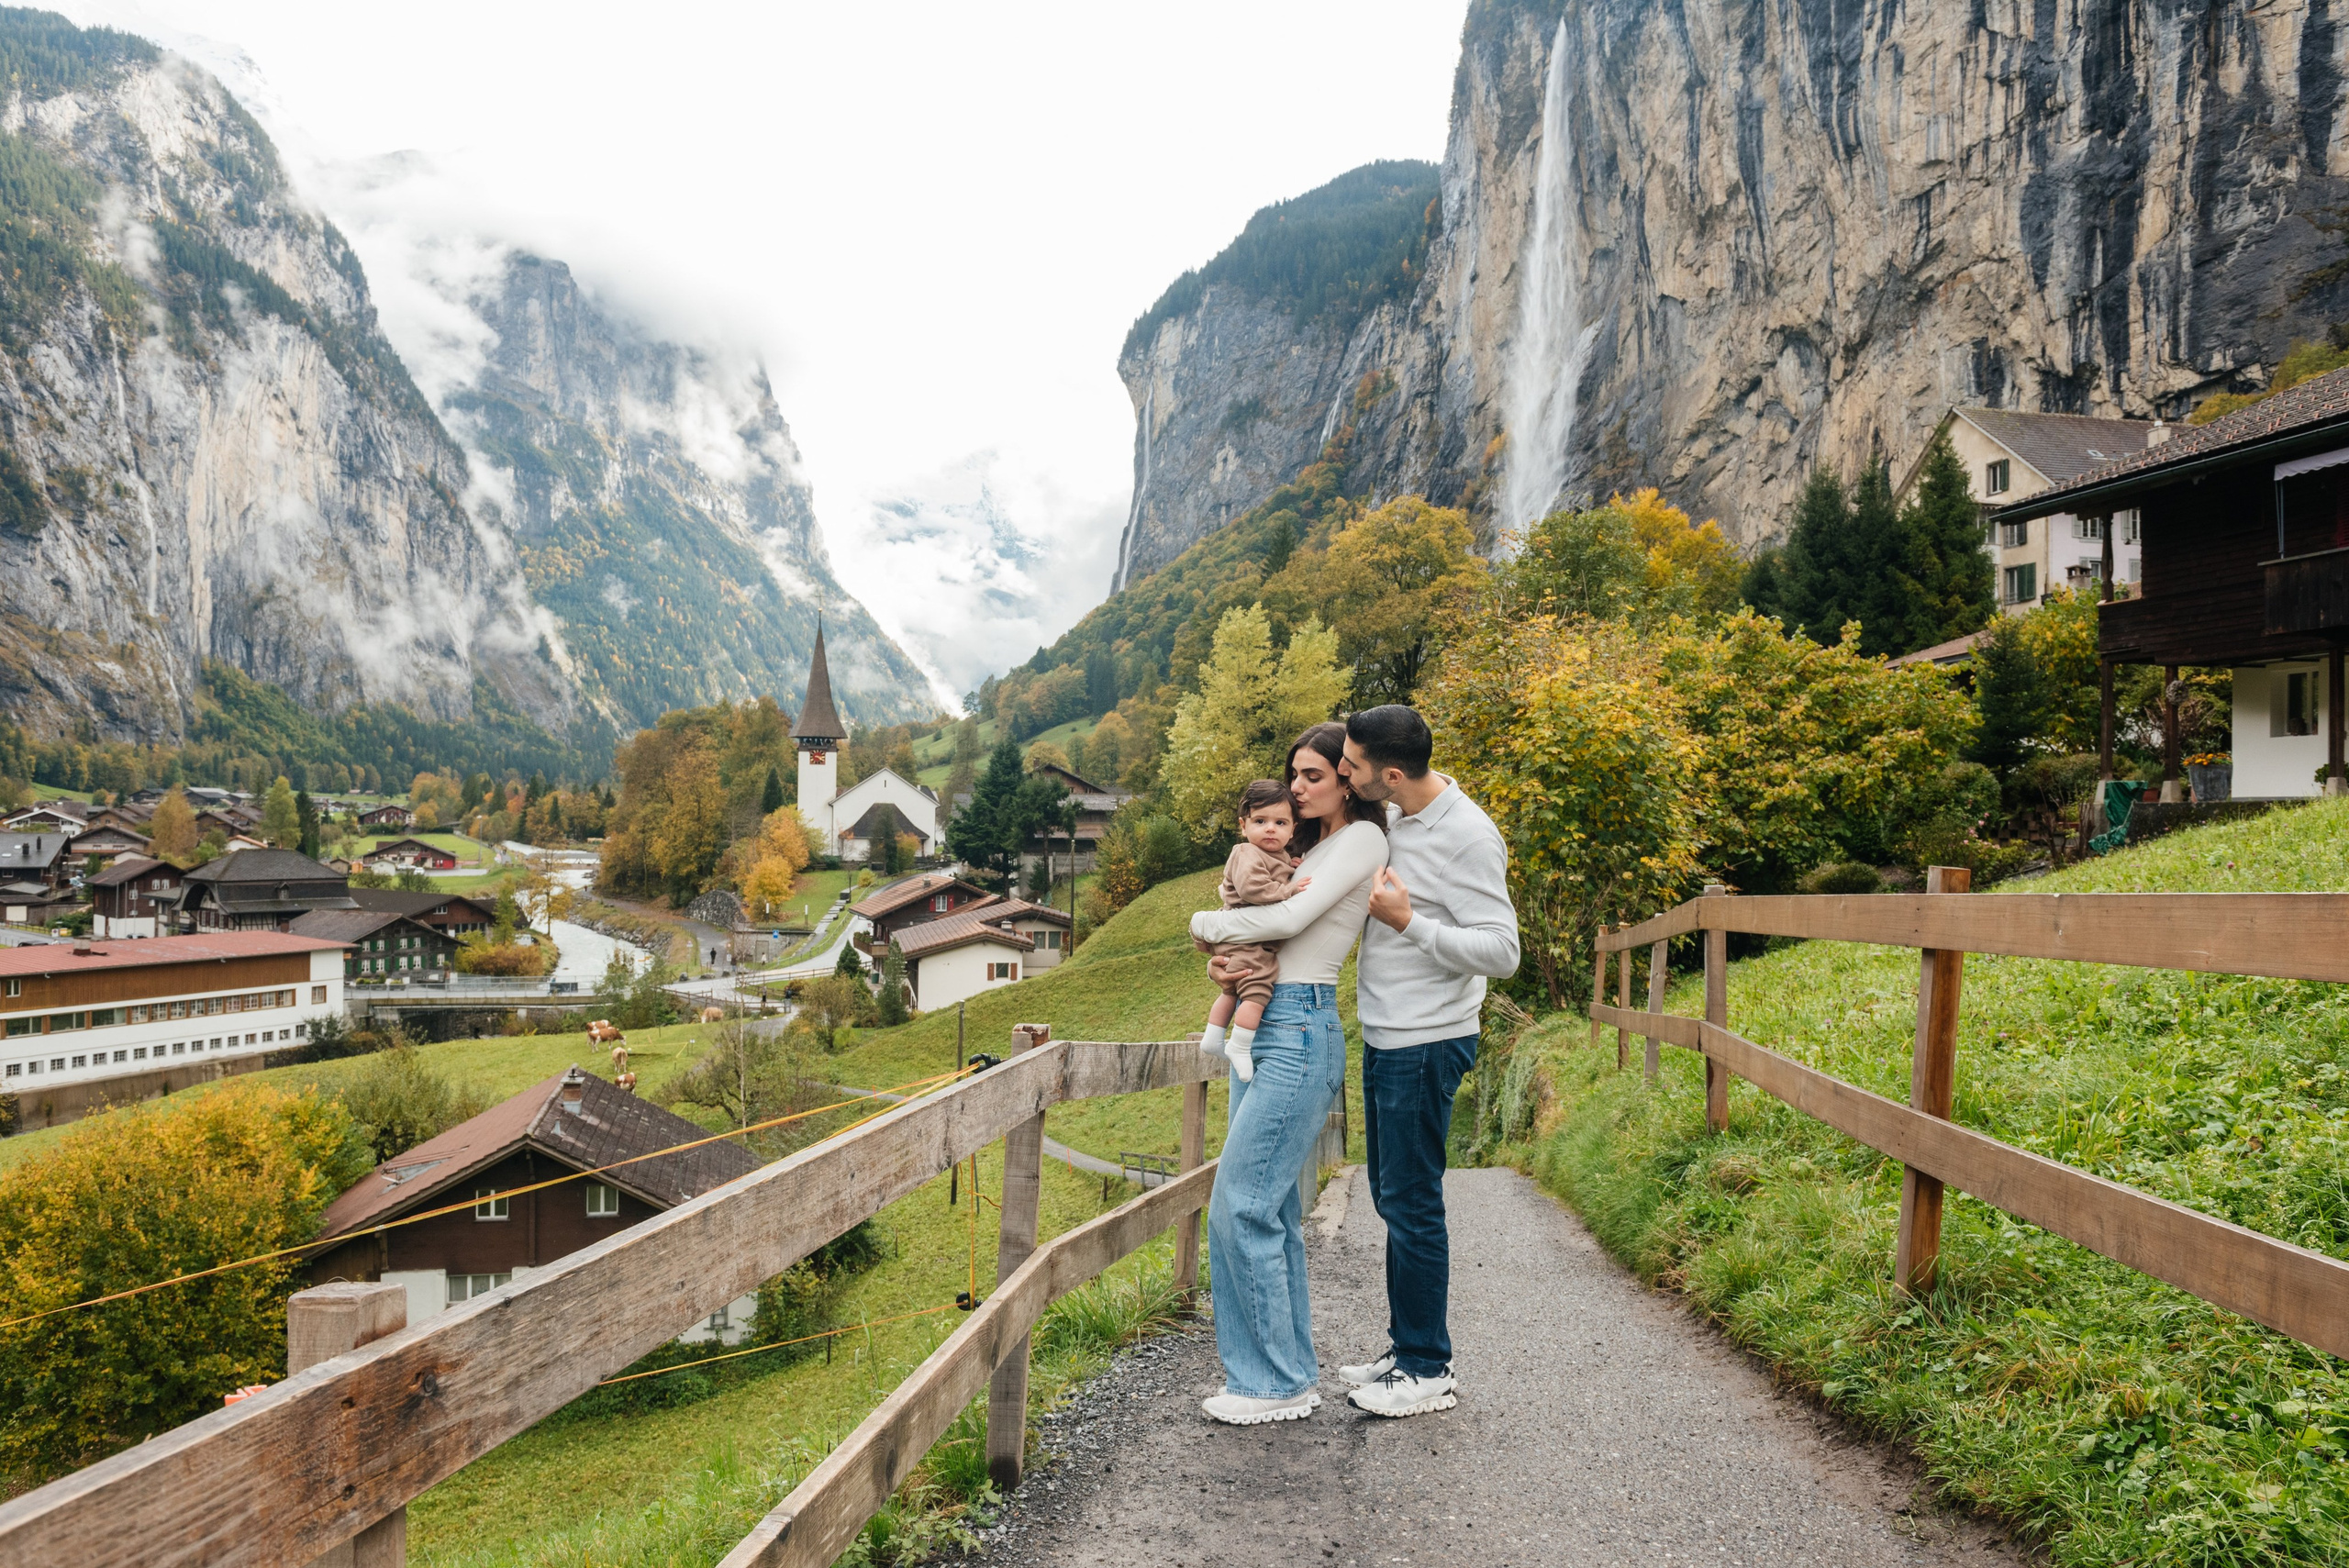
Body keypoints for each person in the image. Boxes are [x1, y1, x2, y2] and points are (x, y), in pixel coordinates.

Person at [1189, 722, 1387, 1426]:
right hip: (1271, 1022)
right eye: (1293, 775)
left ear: (1348, 778)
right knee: (1267, 1208)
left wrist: (1203, 923)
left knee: (1238, 1202)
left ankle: (1271, 1382)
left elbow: (1288, 918)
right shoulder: (1306, 844)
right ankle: (1285, 1374)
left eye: (1314, 776)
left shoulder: (1362, 838)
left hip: (1299, 1025)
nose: (1298, 788)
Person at [1334, 704, 1519, 1419]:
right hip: (1386, 1032)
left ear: (1390, 773)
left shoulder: (1469, 833)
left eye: (1351, 764)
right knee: (1389, 1193)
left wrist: (1410, 922)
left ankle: (1426, 1366)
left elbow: (1502, 951)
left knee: (1411, 1201)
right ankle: (1405, 1344)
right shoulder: (1399, 817)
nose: (1344, 773)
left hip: (1426, 1039)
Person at [1197, 781, 1310, 1084]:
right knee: (1258, 992)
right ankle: (1240, 1045)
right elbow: (1253, 888)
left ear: (1292, 829)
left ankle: (1212, 1036)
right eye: (1260, 821)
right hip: (1247, 943)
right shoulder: (1246, 851)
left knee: (1231, 991)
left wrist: (1290, 865)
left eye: (1280, 823)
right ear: (1243, 826)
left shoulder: (1274, 855)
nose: (1270, 829)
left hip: (1239, 940)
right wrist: (1289, 888)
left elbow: (1272, 870)